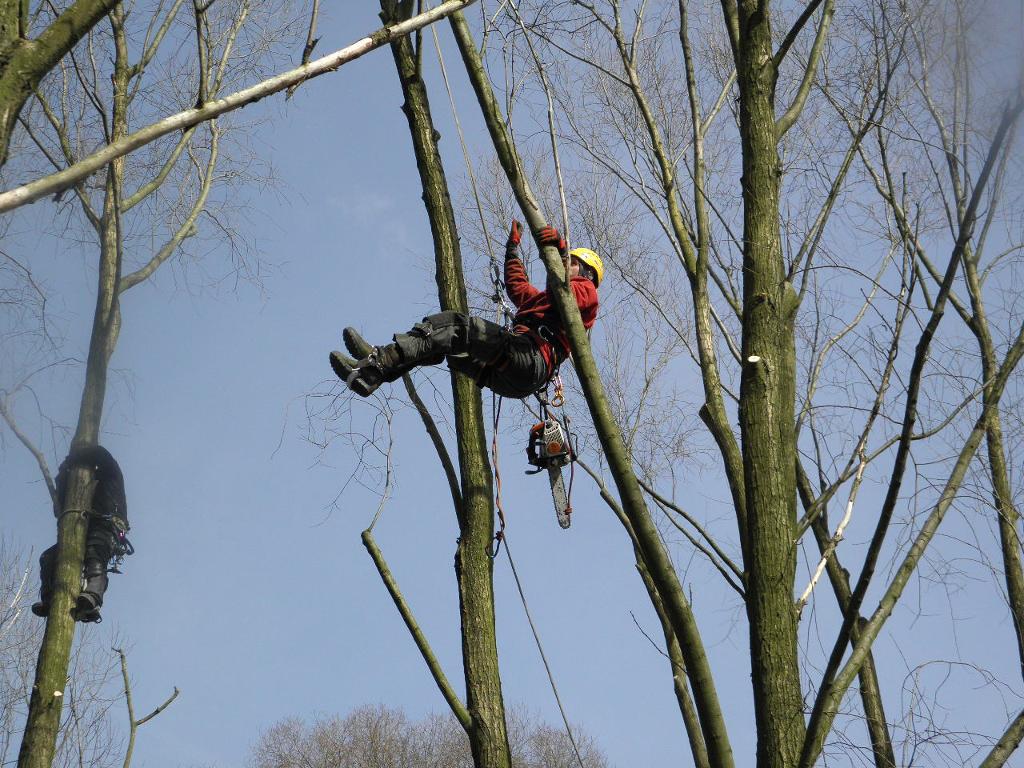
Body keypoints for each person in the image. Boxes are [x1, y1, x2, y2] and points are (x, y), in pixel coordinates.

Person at [330, 221, 602, 399]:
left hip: (529, 358)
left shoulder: (587, 292)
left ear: (586, 271)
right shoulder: (541, 301)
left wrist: (558, 248)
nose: (564, 264)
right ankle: (371, 372)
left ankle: (380, 360)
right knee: (447, 346)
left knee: (456, 326)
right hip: (512, 373)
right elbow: (518, 288)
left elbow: (563, 293)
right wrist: (512, 250)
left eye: (570, 262)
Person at [32, 444, 132, 623]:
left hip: (107, 522)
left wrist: (74, 455)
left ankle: (93, 596)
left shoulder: (110, 474)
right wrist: (64, 471)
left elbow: (101, 454)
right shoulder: (78, 485)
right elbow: (61, 506)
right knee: (49, 557)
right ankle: (50, 598)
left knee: (95, 550)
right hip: (81, 527)